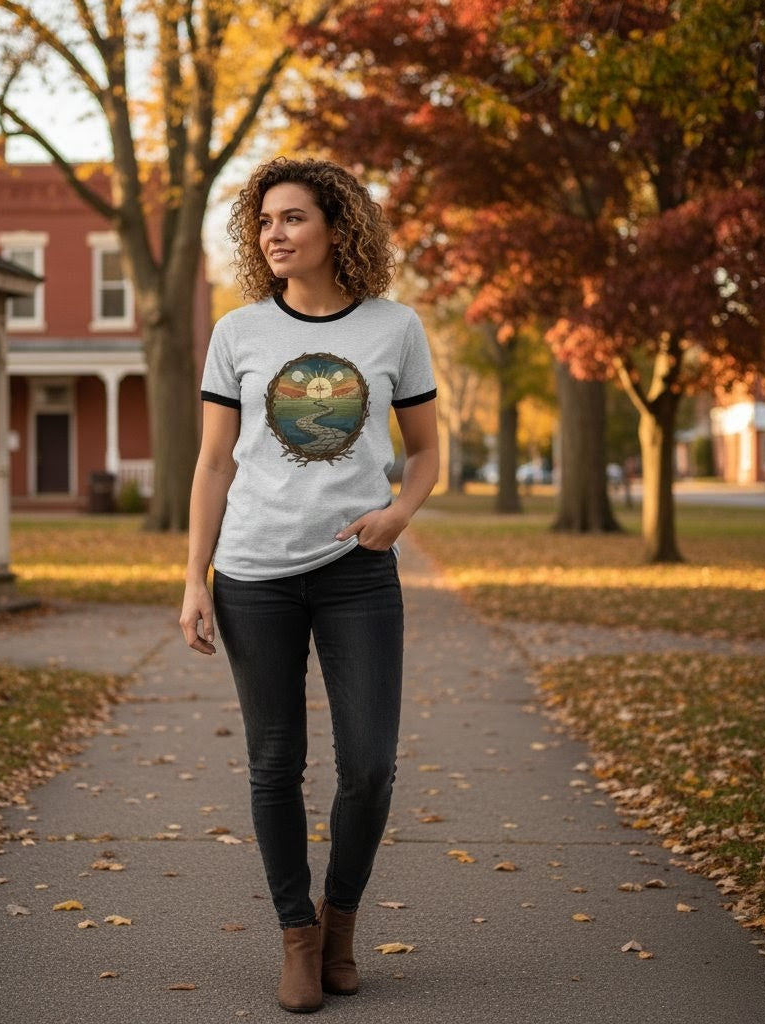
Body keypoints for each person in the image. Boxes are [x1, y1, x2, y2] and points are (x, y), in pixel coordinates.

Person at [180, 156, 439, 1013]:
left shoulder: (394, 328)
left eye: (291, 219)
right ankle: (297, 935)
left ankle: (342, 923)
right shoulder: (238, 333)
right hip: (253, 575)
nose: (274, 235)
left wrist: (401, 511)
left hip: (357, 572)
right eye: (264, 224)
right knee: (274, 763)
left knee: (369, 766)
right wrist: (193, 578)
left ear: (338, 228)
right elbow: (214, 463)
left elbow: (428, 451)